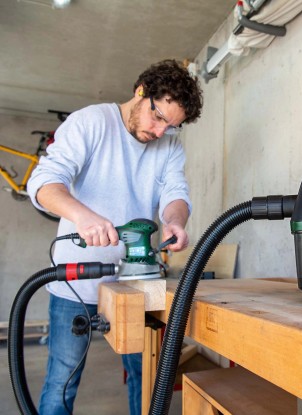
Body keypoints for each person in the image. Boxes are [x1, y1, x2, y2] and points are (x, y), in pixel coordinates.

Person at [27, 59, 203, 415]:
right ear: (141, 91)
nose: (160, 132)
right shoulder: (91, 122)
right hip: (75, 283)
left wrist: (174, 221)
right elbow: (43, 183)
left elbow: (175, 194)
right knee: (62, 381)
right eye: (157, 117)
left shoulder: (169, 145)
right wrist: (83, 216)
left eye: (171, 126)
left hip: (135, 284)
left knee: (147, 377)